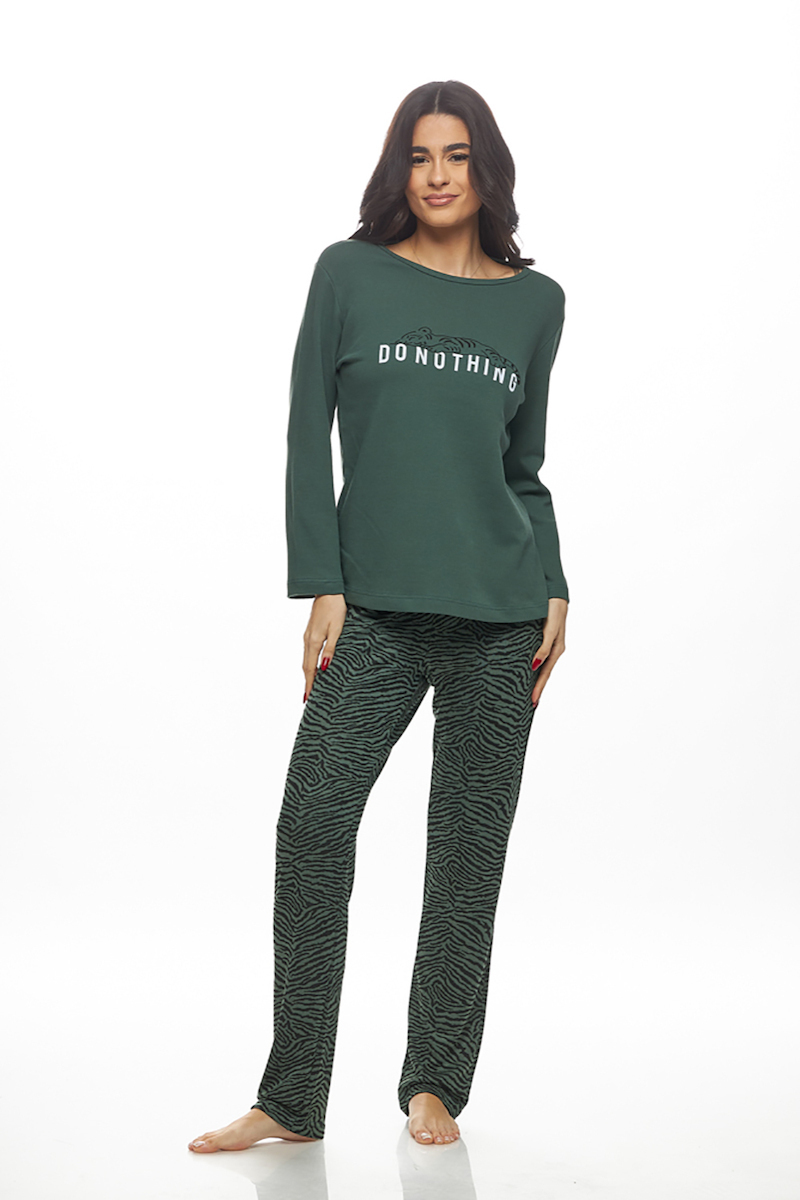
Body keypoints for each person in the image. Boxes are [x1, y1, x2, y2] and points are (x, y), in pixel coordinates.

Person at [189, 78, 570, 1154]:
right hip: (376, 613)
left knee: (466, 855)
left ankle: (433, 1085)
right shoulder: (347, 273)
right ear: (398, 168)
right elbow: (303, 431)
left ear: (486, 169)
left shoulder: (535, 303)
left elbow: (524, 466)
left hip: (502, 614)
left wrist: (554, 582)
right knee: (312, 826)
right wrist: (323, 581)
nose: (437, 175)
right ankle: (290, 1095)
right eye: (418, 155)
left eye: (457, 155)